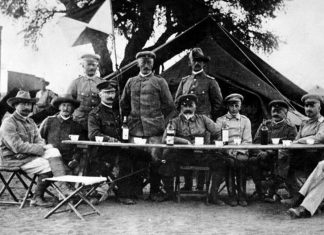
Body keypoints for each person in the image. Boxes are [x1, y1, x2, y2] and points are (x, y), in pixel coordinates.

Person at [0, 91, 73, 207]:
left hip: (28, 155)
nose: (27, 107)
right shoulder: (8, 123)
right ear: (15, 105)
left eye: (29, 104)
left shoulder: (30, 121)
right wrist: (39, 149)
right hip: (13, 159)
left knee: (53, 151)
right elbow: (17, 146)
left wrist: (40, 147)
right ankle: (37, 197)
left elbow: (39, 140)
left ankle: (64, 187)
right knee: (49, 166)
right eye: (23, 104)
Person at [120, 51, 175, 201]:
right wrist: (128, 120)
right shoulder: (130, 82)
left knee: (156, 159)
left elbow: (169, 105)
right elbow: (123, 104)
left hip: (154, 130)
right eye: (142, 63)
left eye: (149, 63)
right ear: (138, 64)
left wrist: (157, 117)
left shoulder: (159, 82)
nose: (145, 66)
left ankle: (155, 191)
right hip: (135, 129)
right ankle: (135, 190)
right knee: (135, 159)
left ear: (153, 64)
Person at [160, 94, 226, 204]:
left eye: (191, 105)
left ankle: (213, 195)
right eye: (184, 105)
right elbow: (165, 139)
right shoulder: (175, 121)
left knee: (220, 161)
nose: (188, 108)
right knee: (167, 160)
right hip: (183, 155)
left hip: (201, 155)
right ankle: (169, 193)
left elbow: (219, 132)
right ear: (181, 107)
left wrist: (216, 143)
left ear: (195, 107)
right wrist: (184, 141)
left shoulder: (203, 119)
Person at [174, 47, 223, 191]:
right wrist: (185, 116)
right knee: (187, 152)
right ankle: (188, 185)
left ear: (204, 64)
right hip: (186, 124)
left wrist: (204, 118)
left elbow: (218, 103)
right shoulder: (184, 81)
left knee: (203, 153)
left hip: (203, 126)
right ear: (190, 63)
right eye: (194, 60)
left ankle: (201, 186)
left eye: (200, 61)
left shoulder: (210, 81)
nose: (197, 63)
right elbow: (177, 101)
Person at [88, 79, 137, 205]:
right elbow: (93, 134)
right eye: (107, 93)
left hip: (118, 150)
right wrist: (112, 140)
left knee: (131, 159)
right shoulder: (95, 114)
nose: (110, 96)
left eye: (113, 93)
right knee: (98, 164)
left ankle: (123, 193)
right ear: (100, 94)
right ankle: (95, 193)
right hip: (102, 151)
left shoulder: (117, 113)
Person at [250, 100, 297, 201]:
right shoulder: (265, 125)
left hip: (280, 158)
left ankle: (271, 190)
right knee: (253, 160)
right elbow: (256, 142)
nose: (275, 114)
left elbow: (290, 147)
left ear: (286, 113)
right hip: (263, 156)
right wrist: (259, 152)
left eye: (279, 111)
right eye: (274, 111)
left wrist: (268, 152)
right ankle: (261, 191)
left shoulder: (290, 127)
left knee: (282, 161)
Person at [281, 94, 324, 204]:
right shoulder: (304, 122)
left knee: (308, 163)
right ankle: (296, 195)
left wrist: (300, 141)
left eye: (312, 106)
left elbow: (319, 137)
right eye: (306, 106)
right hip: (302, 155)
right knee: (284, 162)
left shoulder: (322, 122)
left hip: (317, 155)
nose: (308, 109)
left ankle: (309, 200)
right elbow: (297, 138)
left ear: (319, 107)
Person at [215, 93, 252, 206]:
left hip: (241, 151)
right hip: (226, 151)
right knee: (229, 162)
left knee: (241, 161)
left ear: (240, 106)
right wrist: (227, 151)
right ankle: (232, 195)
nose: (234, 108)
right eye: (231, 105)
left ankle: (241, 194)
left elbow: (247, 140)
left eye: (237, 105)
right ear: (227, 106)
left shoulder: (245, 121)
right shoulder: (220, 120)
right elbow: (219, 139)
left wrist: (238, 151)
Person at [39, 95, 83, 171]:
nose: (65, 108)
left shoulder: (76, 125)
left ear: (73, 109)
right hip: (50, 158)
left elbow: (79, 146)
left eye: (69, 106)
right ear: (59, 107)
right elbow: (39, 139)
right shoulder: (49, 121)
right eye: (63, 105)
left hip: (68, 161)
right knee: (44, 179)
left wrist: (75, 159)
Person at [66, 53, 103, 132]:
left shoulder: (102, 83)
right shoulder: (76, 83)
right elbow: (68, 102)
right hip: (79, 122)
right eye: (89, 65)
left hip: (97, 123)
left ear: (97, 66)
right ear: (83, 66)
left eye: (94, 65)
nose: (91, 67)